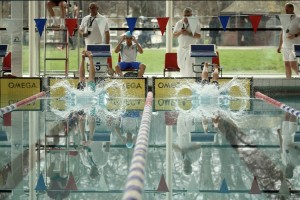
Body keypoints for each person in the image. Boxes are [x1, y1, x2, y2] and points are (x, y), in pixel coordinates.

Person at [173, 7, 201, 77]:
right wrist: (181, 32)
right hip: (181, 47)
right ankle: (183, 78)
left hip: (191, 48)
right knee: (181, 65)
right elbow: (174, 35)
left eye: (189, 16)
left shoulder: (195, 23)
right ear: (183, 14)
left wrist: (188, 33)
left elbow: (198, 36)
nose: (187, 17)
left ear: (191, 15)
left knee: (189, 64)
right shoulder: (179, 23)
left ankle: (190, 79)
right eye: (185, 15)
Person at [77, 50, 96, 145]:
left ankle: (83, 58)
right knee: (90, 78)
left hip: (80, 100)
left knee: (81, 78)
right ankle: (90, 58)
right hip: (90, 100)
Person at [277, 3, 300, 78]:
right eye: (285, 9)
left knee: (293, 64)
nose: (286, 10)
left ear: (292, 9)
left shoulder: (298, 19)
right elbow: (282, 33)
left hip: (296, 45)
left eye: (287, 9)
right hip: (285, 46)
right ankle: (288, 80)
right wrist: (280, 46)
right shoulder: (284, 19)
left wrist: (294, 35)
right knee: (287, 64)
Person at [277, 112, 299, 179]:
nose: (286, 170)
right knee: (292, 119)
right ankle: (295, 106)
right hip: (292, 139)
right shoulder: (297, 162)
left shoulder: (284, 162)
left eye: (285, 171)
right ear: (291, 172)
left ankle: (288, 105)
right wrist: (293, 147)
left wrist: (279, 135)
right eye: (288, 172)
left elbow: (282, 148)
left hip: (285, 137)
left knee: (286, 118)